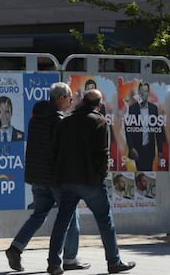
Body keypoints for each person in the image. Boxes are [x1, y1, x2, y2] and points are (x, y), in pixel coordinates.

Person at [47, 89, 136, 275]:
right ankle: (114, 261)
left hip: (67, 180)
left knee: (62, 221)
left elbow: (54, 150)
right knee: (105, 220)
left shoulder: (66, 122)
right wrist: (101, 176)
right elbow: (103, 154)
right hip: (90, 181)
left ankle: (54, 263)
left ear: (82, 103)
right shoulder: (100, 122)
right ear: (99, 105)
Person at [5, 82, 89, 272]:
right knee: (70, 215)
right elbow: (63, 151)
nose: (70, 102)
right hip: (54, 178)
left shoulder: (37, 118)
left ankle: (16, 247)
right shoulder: (59, 120)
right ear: (60, 98)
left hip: (37, 176)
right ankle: (69, 258)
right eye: (69, 98)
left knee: (39, 214)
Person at [125, 82, 163, 171]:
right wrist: (131, 148)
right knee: (139, 171)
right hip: (137, 149)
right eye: (141, 91)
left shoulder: (153, 108)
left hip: (149, 149)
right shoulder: (133, 108)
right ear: (138, 93)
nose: (143, 94)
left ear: (148, 93)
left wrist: (160, 150)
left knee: (149, 171)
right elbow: (128, 130)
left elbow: (158, 130)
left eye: (146, 91)